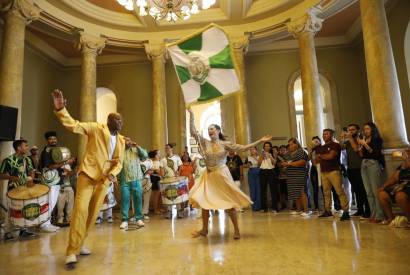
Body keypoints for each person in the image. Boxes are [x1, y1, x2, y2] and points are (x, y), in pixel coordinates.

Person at [51, 89, 125, 268]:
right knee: (80, 211)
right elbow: (74, 125)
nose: (120, 122)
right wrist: (61, 110)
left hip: (103, 181)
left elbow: (119, 162)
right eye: (116, 119)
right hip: (88, 175)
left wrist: (112, 174)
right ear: (108, 121)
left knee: (92, 215)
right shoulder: (96, 128)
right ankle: (71, 251)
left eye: (121, 120)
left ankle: (80, 243)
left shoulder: (121, 140)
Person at [188, 108, 272, 240]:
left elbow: (243, 148)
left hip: (221, 175)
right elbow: (193, 132)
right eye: (208, 129)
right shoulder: (204, 143)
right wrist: (191, 114)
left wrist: (260, 141)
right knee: (204, 203)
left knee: (229, 204)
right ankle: (204, 230)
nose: (210, 131)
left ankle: (237, 230)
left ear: (218, 131)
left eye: (212, 129)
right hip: (209, 176)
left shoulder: (225, 144)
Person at [0, 139, 36, 241]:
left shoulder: (27, 160)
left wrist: (31, 179)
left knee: (24, 209)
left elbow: (31, 171)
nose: (27, 147)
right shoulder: (8, 160)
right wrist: (13, 178)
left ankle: (23, 230)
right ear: (19, 148)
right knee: (12, 210)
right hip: (13, 189)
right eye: (25, 145)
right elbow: (1, 175)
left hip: (24, 188)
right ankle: (8, 231)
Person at [40, 130, 75, 233]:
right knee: (49, 201)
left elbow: (59, 165)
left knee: (53, 202)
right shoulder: (46, 152)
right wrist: (66, 162)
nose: (53, 140)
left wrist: (66, 166)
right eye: (51, 139)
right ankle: (44, 224)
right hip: (49, 179)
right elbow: (50, 166)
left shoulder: (56, 150)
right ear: (47, 140)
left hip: (56, 180)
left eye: (54, 138)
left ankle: (48, 223)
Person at [317, 129, 350, 221]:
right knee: (326, 193)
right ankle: (327, 210)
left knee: (339, 191)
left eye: (326, 134)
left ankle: (346, 211)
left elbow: (331, 156)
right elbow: (316, 160)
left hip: (334, 171)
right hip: (324, 172)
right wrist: (322, 156)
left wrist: (321, 156)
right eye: (323, 134)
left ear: (331, 135)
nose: (324, 136)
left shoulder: (335, 145)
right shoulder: (322, 147)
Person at [357, 122, 385, 223]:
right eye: (364, 129)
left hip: (373, 164)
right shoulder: (364, 140)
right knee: (368, 191)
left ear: (372, 129)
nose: (365, 131)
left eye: (368, 129)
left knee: (375, 190)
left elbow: (376, 154)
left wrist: (365, 145)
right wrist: (360, 147)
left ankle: (380, 215)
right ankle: (373, 214)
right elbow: (361, 155)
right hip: (364, 164)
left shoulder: (377, 139)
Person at [119, 137, 148, 230]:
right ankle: (124, 220)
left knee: (138, 198)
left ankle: (138, 218)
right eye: (125, 140)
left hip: (136, 178)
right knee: (125, 199)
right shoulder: (119, 151)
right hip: (124, 179)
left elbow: (145, 156)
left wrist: (138, 146)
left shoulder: (136, 150)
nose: (127, 142)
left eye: (128, 140)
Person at [378, 148, 410, 226]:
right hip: (401, 186)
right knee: (382, 194)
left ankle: (409, 220)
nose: (406, 151)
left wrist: (407, 159)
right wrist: (383, 186)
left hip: (408, 185)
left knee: (400, 196)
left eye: (408, 150)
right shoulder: (404, 164)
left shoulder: (407, 161)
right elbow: (394, 177)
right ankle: (391, 218)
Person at [283, 138, 310, 216]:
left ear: (296, 144)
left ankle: (306, 211)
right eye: (289, 144)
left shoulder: (301, 152)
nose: (290, 146)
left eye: (292, 144)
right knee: (295, 193)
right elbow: (283, 162)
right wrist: (284, 164)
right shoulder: (288, 153)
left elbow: (303, 162)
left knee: (302, 192)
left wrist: (289, 164)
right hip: (291, 176)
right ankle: (299, 210)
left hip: (300, 175)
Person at [160, 144, 184, 218]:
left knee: (177, 195)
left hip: (175, 179)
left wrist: (178, 174)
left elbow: (181, 166)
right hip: (167, 179)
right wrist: (162, 175)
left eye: (168, 148)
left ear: (171, 149)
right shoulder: (163, 159)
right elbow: (161, 169)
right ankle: (169, 212)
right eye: (165, 148)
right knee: (168, 195)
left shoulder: (176, 158)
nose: (167, 149)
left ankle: (179, 211)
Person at [258, 141, 279, 213]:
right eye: (265, 146)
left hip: (271, 171)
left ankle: (274, 208)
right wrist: (262, 156)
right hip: (263, 171)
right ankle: (264, 208)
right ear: (263, 147)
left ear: (270, 147)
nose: (267, 147)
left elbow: (274, 163)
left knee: (273, 190)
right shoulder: (261, 154)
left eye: (268, 146)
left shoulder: (273, 153)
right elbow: (259, 163)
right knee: (263, 190)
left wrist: (270, 156)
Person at [56, 159, 76, 226]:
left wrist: (67, 171)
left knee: (70, 204)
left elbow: (71, 174)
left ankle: (69, 219)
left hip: (68, 186)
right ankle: (60, 220)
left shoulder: (67, 165)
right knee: (60, 205)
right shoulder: (57, 166)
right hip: (60, 187)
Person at [244, 147, 261, 211]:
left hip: (258, 171)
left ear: (256, 150)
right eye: (250, 150)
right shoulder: (248, 158)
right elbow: (244, 165)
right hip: (251, 172)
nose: (252, 151)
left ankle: (259, 206)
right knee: (252, 189)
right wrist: (247, 165)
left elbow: (261, 164)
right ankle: (254, 207)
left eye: (253, 149)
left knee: (258, 189)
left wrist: (255, 158)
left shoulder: (259, 156)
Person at [308, 136, 321, 212]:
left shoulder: (322, 148)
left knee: (322, 187)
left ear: (319, 142)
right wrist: (310, 150)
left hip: (321, 168)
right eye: (313, 141)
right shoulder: (312, 150)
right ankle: (316, 206)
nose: (314, 143)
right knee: (315, 187)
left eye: (316, 141)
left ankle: (326, 205)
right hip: (313, 169)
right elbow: (308, 159)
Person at [147, 150, 162, 215]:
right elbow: (150, 171)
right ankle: (155, 209)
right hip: (155, 179)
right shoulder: (152, 162)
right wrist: (156, 170)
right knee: (156, 195)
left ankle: (158, 208)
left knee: (159, 195)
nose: (159, 155)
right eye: (158, 154)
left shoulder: (158, 162)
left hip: (158, 178)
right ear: (155, 155)